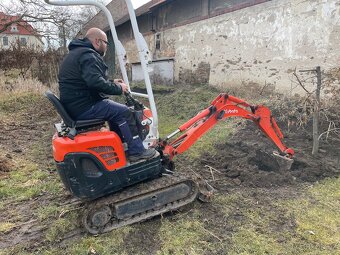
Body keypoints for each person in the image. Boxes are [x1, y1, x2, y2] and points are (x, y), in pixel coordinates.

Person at [58, 27, 156, 162]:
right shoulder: (88, 55)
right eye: (106, 43)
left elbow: (89, 80)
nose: (106, 47)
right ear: (97, 41)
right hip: (84, 107)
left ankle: (122, 145)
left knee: (115, 111)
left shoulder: (78, 53)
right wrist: (119, 88)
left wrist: (112, 82)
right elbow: (95, 83)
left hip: (76, 105)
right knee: (125, 113)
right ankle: (137, 152)